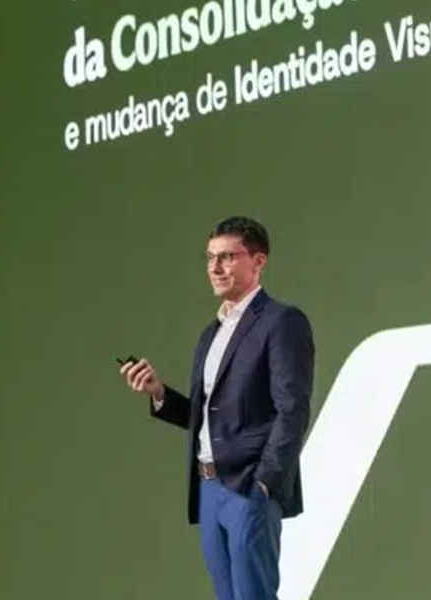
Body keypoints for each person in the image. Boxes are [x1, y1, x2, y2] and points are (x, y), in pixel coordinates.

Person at [119, 216, 314, 600]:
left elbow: (292, 410)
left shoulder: (281, 321)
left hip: (249, 486)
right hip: (208, 488)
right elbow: (210, 415)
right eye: (210, 257)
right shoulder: (211, 333)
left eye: (227, 257)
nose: (215, 267)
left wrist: (265, 483)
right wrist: (158, 392)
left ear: (258, 262)